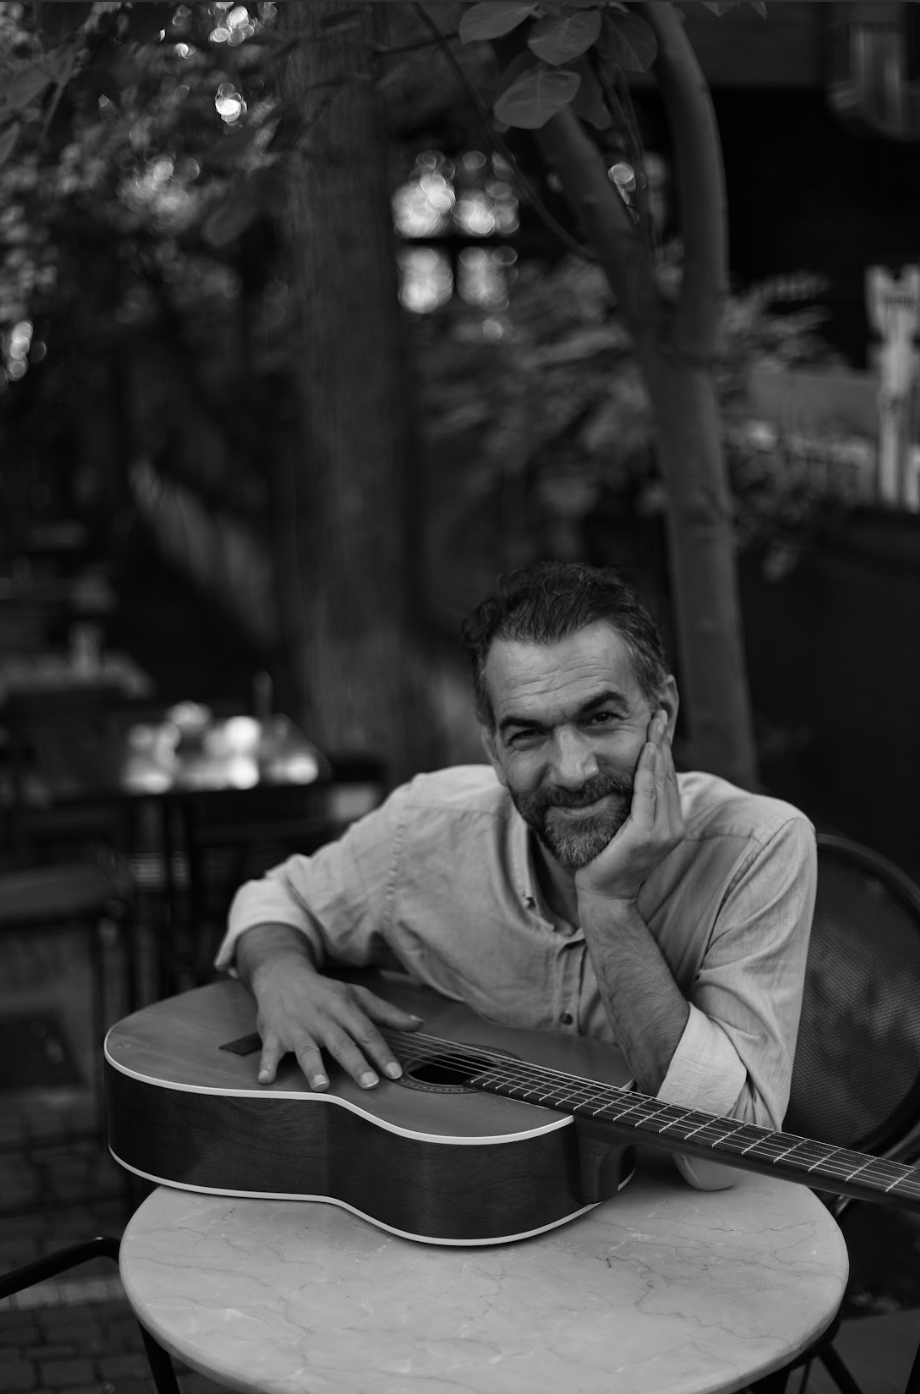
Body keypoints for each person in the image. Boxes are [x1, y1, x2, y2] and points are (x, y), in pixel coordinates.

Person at [216, 562, 816, 1189]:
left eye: (600, 718)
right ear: (494, 752)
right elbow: (277, 898)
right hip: (457, 1197)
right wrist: (279, 974)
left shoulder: (757, 847)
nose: (573, 770)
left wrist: (608, 905)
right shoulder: (425, 826)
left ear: (661, 711)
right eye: (528, 734)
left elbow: (730, 1154)